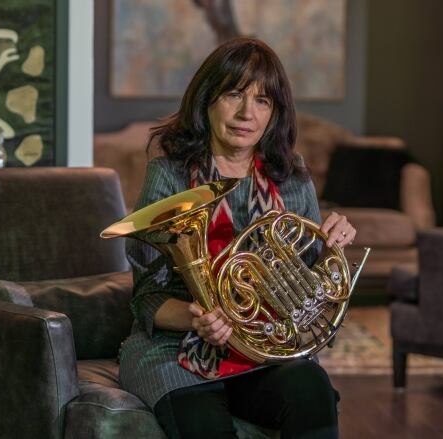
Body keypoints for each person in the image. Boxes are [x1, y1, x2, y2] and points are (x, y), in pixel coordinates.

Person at [120, 37, 356, 439]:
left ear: (275, 112)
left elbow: (315, 295)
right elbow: (147, 295)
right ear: (207, 99)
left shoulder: (292, 176)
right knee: (203, 423)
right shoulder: (170, 175)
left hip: (265, 350)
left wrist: (333, 250)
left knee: (312, 391)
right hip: (178, 351)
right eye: (234, 94)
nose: (248, 113)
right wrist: (197, 318)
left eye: (263, 101)